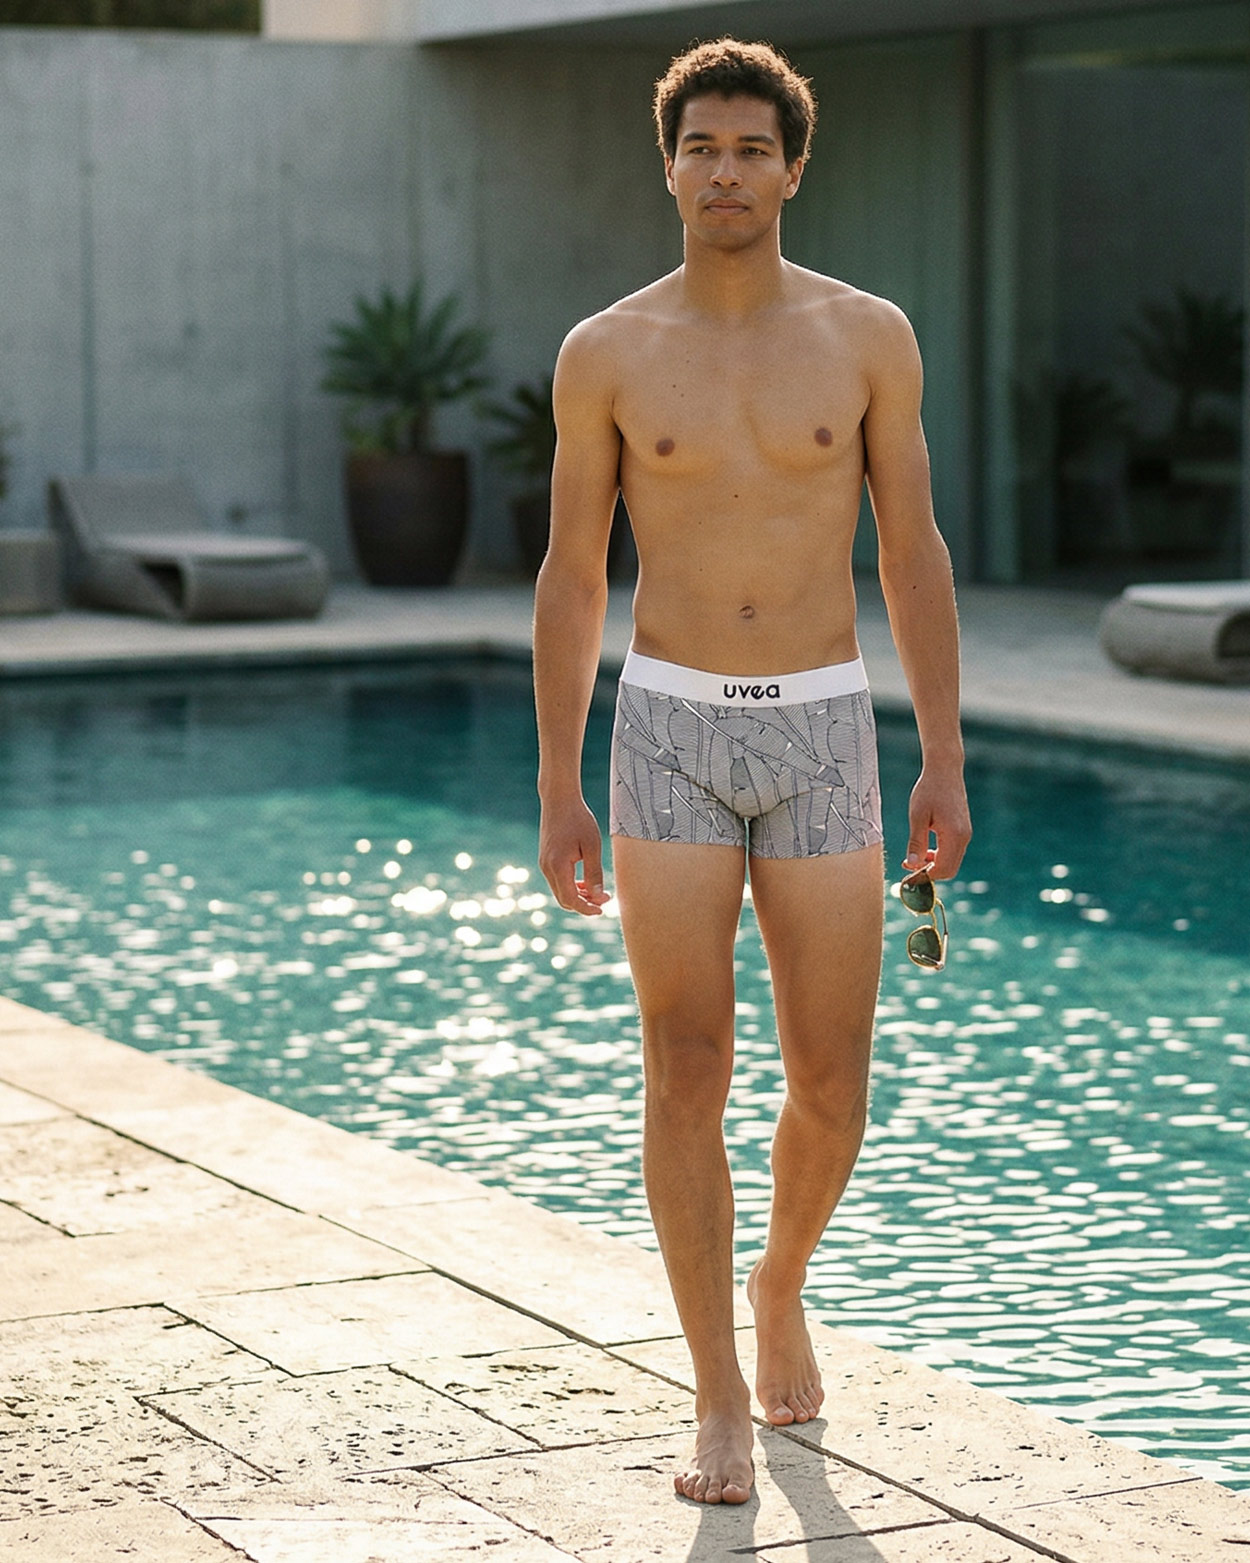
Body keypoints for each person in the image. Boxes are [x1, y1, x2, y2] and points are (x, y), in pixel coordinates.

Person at [533, 37, 971, 1506]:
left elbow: (911, 547)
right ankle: (715, 1389)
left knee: (832, 1083)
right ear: (667, 168)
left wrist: (942, 756)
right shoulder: (605, 351)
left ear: (793, 170)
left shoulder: (867, 337)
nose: (725, 172)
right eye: (701, 148)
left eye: (751, 149)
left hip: (825, 726)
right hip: (665, 722)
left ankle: (781, 1280)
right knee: (684, 1060)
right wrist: (558, 778)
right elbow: (569, 573)